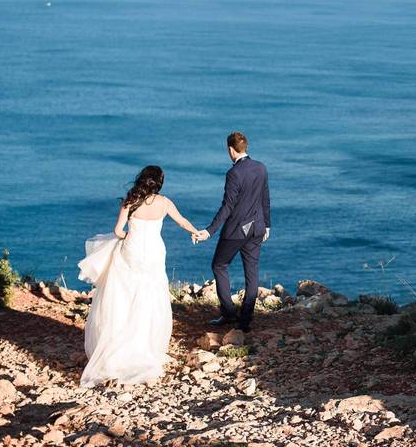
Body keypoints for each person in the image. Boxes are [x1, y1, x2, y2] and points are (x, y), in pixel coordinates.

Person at [77, 165, 200, 388]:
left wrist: (127, 237)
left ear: (142, 180)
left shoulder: (131, 200)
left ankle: (116, 350)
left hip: (131, 251)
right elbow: (182, 221)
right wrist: (196, 232)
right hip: (154, 252)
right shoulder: (164, 203)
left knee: (123, 297)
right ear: (159, 183)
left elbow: (117, 230)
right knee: (150, 297)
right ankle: (146, 347)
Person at [194, 131, 271, 333]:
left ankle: (229, 313)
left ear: (230, 150)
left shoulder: (234, 173)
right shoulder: (261, 167)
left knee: (219, 265)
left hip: (237, 230)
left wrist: (209, 231)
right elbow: (265, 198)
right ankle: (245, 321)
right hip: (257, 228)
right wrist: (267, 225)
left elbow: (227, 207)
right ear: (245, 147)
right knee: (252, 273)